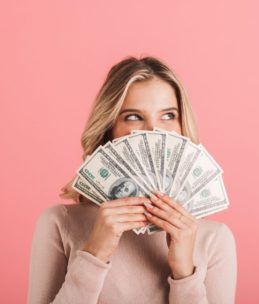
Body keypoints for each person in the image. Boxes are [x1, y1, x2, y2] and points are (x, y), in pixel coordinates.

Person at [27, 56, 237, 304]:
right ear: (110, 128)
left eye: (168, 115)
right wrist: (94, 254)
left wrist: (184, 274)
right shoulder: (60, 223)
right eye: (134, 117)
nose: (153, 131)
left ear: (182, 125)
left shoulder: (214, 238)